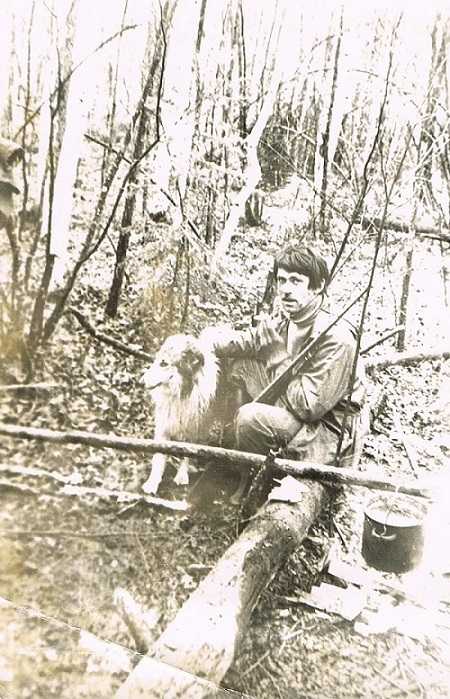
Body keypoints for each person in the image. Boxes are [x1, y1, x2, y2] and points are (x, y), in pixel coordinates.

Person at [211, 244, 368, 488]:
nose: (285, 290)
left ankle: (261, 479)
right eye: (281, 280)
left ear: (317, 286)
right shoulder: (289, 315)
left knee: (250, 418)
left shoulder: (337, 338)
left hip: (323, 430)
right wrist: (210, 342)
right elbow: (253, 340)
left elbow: (308, 407)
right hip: (293, 400)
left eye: (295, 281)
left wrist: (276, 356)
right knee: (240, 365)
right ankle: (238, 449)